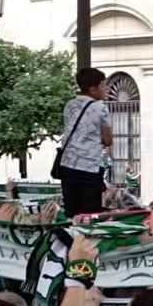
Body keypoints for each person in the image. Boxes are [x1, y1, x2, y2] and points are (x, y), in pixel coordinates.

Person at [57, 67, 113, 218]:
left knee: (72, 211)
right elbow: (108, 140)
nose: (106, 89)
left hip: (67, 165)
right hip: (89, 167)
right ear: (93, 89)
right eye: (103, 86)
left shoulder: (69, 105)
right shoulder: (100, 108)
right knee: (89, 214)